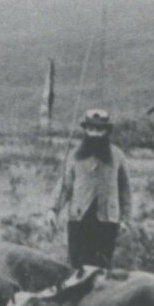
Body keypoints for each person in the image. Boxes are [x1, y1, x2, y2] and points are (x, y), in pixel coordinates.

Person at [52, 108, 132, 269]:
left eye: (100, 130)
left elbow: (125, 190)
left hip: (107, 221)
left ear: (107, 131)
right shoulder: (74, 156)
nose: (95, 134)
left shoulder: (118, 156)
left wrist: (125, 219)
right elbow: (65, 186)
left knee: (102, 269)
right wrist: (53, 210)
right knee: (77, 269)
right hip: (79, 220)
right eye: (91, 129)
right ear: (86, 130)